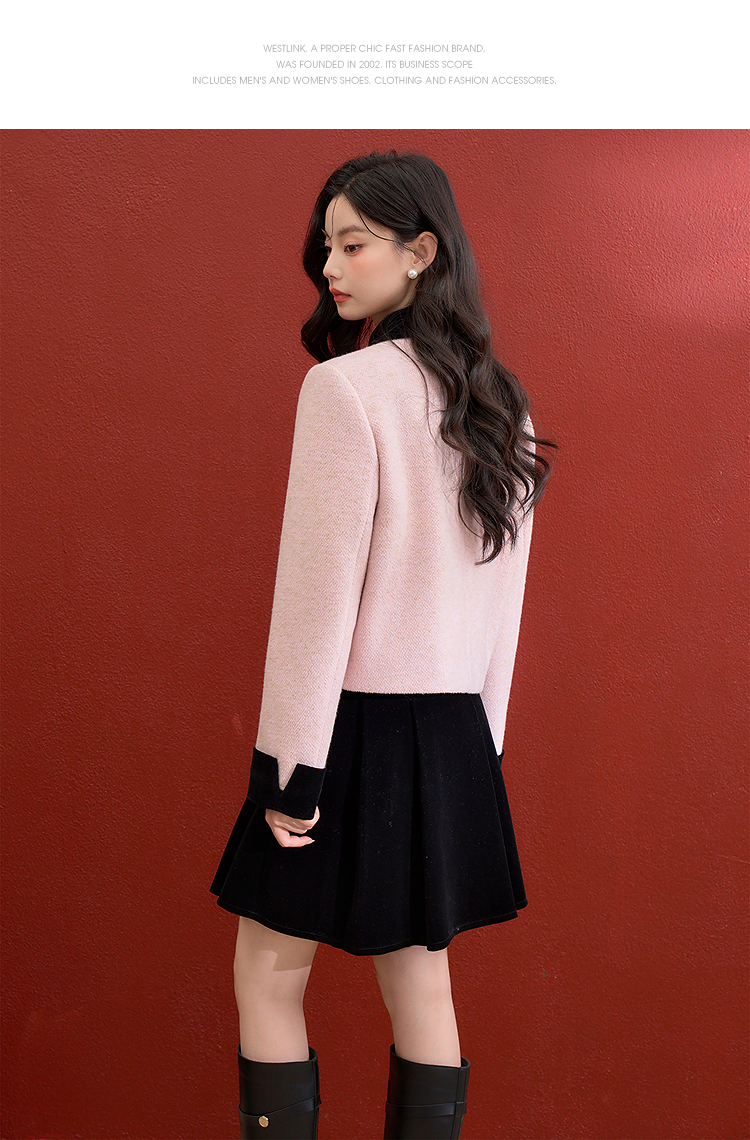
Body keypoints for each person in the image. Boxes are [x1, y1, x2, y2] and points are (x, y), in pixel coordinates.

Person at [209, 149, 556, 1140]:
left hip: (344, 731)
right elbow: (504, 604)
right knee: (422, 983)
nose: (330, 265)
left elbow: (316, 605)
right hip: (451, 740)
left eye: (353, 243)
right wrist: (481, 752)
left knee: (268, 974)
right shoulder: (503, 404)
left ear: (420, 252)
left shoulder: (346, 390)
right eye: (326, 246)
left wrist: (290, 774)